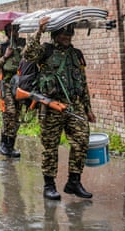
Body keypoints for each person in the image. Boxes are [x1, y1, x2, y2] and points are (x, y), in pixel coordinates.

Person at [22, 16, 96, 200]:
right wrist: (39, 31)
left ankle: (74, 182)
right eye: (63, 32)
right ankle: (49, 186)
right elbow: (28, 54)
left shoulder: (76, 54)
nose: (67, 36)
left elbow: (83, 82)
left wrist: (88, 108)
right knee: (50, 147)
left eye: (69, 32)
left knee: (81, 141)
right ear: (55, 33)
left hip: (75, 104)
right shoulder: (46, 51)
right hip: (51, 105)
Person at [0, 23, 26, 158]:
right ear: (6, 33)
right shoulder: (0, 48)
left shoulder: (23, 46)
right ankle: (4, 143)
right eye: (10, 30)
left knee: (17, 116)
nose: (13, 33)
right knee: (9, 113)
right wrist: (5, 56)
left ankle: (10, 145)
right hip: (6, 84)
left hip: (20, 84)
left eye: (15, 30)